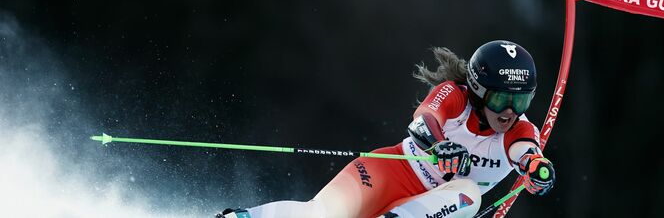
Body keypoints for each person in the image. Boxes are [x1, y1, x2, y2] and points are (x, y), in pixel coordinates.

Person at [217, 40, 555, 218]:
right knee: (320, 214)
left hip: (433, 208)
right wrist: (440, 146)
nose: (510, 112)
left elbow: (526, 152)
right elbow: (424, 120)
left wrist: (536, 168)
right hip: (388, 173)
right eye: (501, 99)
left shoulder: (518, 129)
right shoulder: (455, 95)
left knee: (468, 193)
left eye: (521, 101)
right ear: (479, 91)